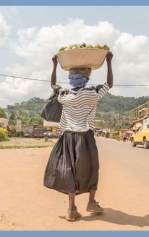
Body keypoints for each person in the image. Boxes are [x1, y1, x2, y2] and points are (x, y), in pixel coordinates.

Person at [43, 51, 114, 221]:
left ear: (71, 79)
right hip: (85, 137)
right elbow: (109, 84)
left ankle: (71, 209)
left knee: (70, 171)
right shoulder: (92, 94)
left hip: (67, 137)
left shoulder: (64, 95)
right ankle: (91, 202)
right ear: (86, 77)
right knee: (91, 169)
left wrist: (54, 64)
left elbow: (53, 84)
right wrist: (109, 62)